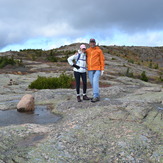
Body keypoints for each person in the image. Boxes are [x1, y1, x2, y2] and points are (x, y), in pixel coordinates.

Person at [86, 38, 105, 102]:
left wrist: (102, 69)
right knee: (92, 83)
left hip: (97, 69)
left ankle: (95, 96)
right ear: (89, 43)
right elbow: (82, 54)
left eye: (93, 42)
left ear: (95, 43)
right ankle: (97, 95)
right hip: (90, 69)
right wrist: (77, 53)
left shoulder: (99, 50)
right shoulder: (87, 50)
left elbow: (102, 60)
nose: (92, 43)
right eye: (91, 42)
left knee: (95, 81)